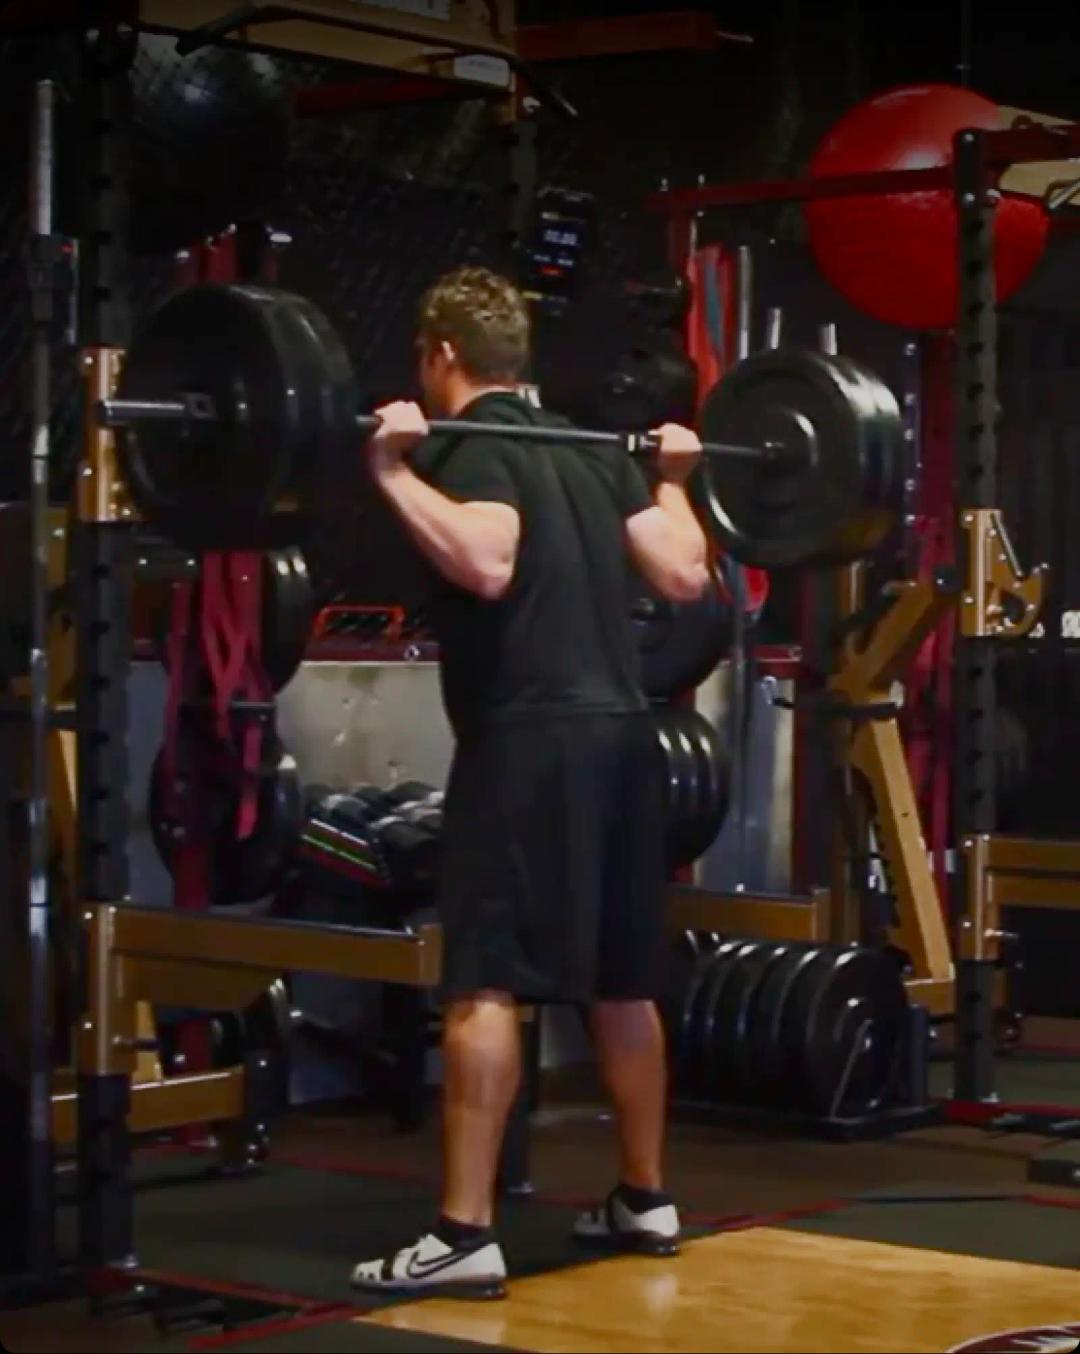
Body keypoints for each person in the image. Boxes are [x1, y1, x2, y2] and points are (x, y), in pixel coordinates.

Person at [350, 266, 708, 1300]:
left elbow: (489, 559)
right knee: (623, 976)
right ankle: (644, 1196)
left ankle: (462, 1233)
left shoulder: (468, 445)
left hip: (528, 738)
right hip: (627, 739)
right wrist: (676, 477)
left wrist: (391, 470)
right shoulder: (587, 453)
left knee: (486, 978)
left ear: (442, 355)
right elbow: (683, 575)